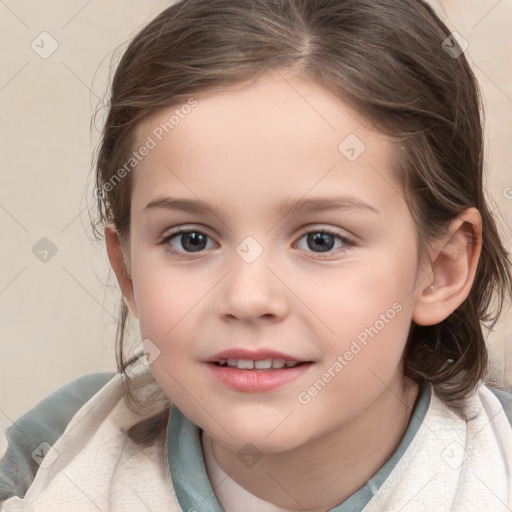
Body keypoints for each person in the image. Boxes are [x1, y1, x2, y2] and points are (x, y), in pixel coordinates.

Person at [1, 0, 512, 510]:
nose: (247, 298)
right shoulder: (44, 460)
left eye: (321, 241)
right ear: (128, 271)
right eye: (191, 239)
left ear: (441, 269)